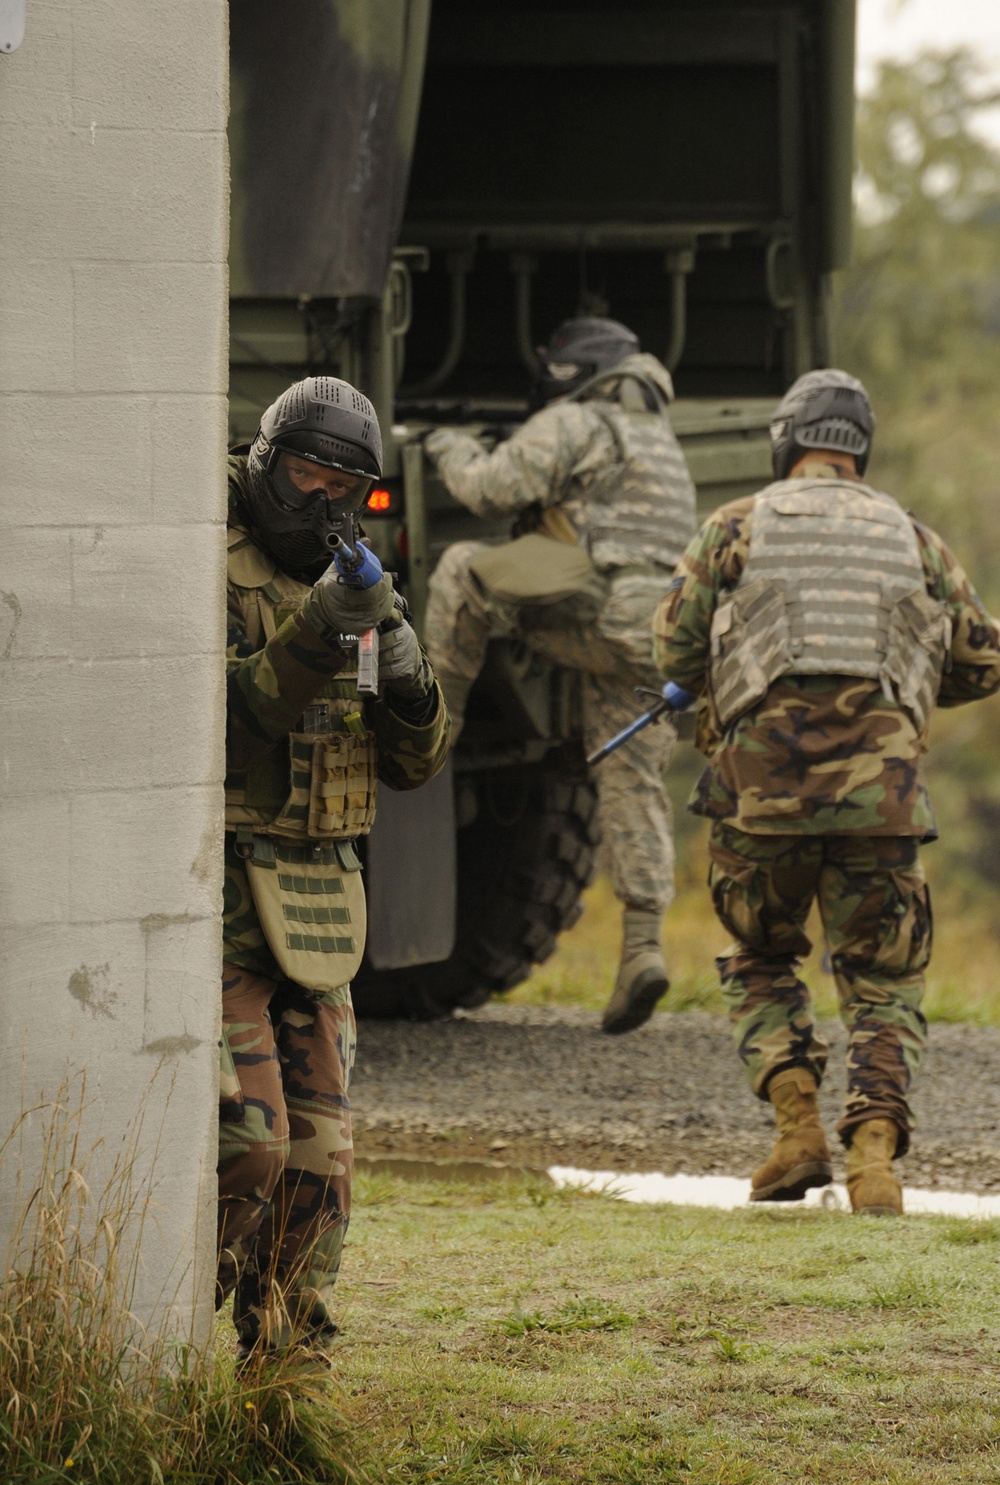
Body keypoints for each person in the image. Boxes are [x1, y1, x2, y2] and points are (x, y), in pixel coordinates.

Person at [652, 368, 1000, 1214]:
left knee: (761, 956)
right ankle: (874, 1160)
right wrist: (903, 694)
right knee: (883, 980)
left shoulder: (735, 526)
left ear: (787, 440)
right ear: (860, 449)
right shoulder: (914, 538)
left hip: (758, 795)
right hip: (884, 798)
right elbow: (982, 656)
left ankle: (796, 1130)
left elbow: (671, 650)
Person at [220, 376, 449, 1360]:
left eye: (347, 486)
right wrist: (322, 627)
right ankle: (140, 1325)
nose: (326, 501)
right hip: (213, 897)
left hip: (315, 901)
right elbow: (227, 727)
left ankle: (284, 1396)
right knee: (248, 1149)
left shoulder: (351, 578)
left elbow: (410, 766)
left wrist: (400, 671)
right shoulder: (204, 550)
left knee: (322, 1173)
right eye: (310, 473)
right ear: (271, 462)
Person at [423, 317, 697, 1035]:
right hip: (652, 636)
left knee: (461, 572)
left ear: (575, 374)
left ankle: (429, 731)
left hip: (596, 606)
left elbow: (490, 489)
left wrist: (449, 445)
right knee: (631, 778)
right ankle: (641, 947)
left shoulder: (580, 420)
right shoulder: (661, 441)